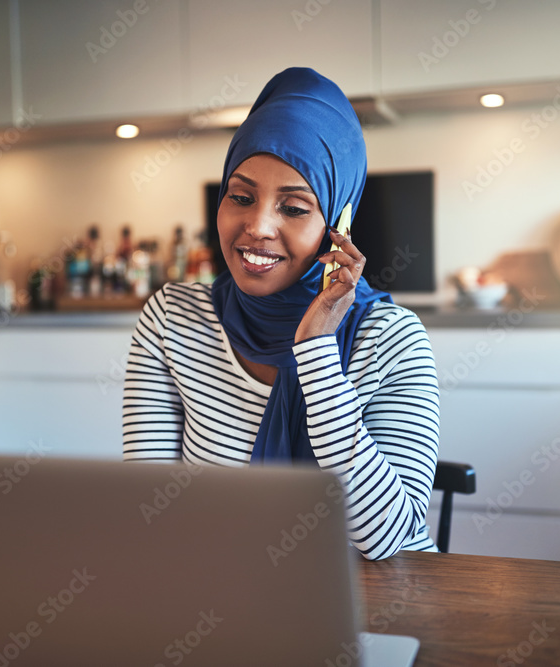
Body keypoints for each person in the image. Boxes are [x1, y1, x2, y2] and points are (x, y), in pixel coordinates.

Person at [122, 67, 440, 559]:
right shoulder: (172, 319)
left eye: (294, 208)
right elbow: (150, 515)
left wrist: (315, 349)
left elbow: (386, 539)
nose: (258, 226)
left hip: (377, 608)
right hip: (231, 601)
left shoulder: (391, 339)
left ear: (338, 222)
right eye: (241, 197)